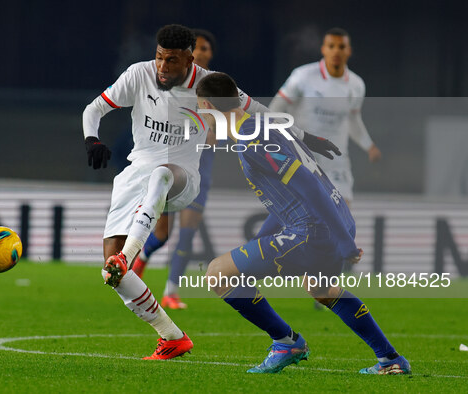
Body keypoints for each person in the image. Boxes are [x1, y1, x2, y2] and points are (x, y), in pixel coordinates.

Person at [83, 24, 337, 360]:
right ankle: (171, 336)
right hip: (135, 175)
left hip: (182, 176)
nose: (162, 66)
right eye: (159, 57)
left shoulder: (209, 85)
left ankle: (128, 256)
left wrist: (308, 138)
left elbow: (262, 113)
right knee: (112, 274)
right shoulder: (139, 74)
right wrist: (92, 138)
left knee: (161, 175)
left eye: (171, 60)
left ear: (189, 59)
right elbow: (94, 109)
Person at [198, 72, 410, 375]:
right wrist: (261, 241)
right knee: (322, 289)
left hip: (314, 231)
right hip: (333, 217)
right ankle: (391, 360)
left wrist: (344, 243)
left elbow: (309, 184)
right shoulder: (267, 126)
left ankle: (286, 342)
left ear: (207, 106)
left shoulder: (250, 138)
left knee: (217, 274)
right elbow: (294, 193)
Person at [131, 28, 218, 310]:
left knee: (188, 230)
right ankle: (141, 260)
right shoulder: (167, 83)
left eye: (206, 49)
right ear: (188, 56)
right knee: (162, 234)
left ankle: (171, 291)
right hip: (170, 163)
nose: (202, 53)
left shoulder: (215, 85)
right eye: (199, 49)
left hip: (200, 165)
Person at [269, 27, 381, 205]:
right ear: (323, 49)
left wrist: (369, 145)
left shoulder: (356, 84)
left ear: (348, 51)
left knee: (343, 211)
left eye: (341, 46)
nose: (336, 50)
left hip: (336, 158)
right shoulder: (303, 76)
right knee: (300, 210)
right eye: (331, 46)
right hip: (303, 152)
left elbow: (352, 119)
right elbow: (276, 107)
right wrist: (275, 135)